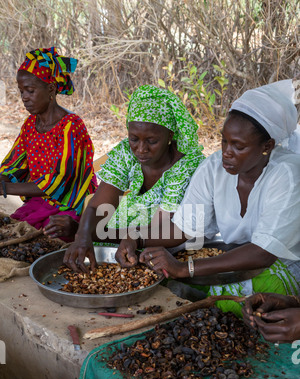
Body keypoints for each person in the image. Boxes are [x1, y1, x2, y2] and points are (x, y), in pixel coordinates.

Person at [116, 80, 300, 315]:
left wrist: (185, 268)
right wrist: (137, 239)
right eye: (224, 140)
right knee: (158, 279)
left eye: (238, 146)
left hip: (284, 263)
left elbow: (263, 253)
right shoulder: (214, 167)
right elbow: (184, 228)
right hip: (233, 257)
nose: (226, 152)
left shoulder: (288, 173)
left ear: (267, 146)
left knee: (233, 299)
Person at [63, 84, 206, 272]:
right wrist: (83, 234)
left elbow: (160, 230)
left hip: (171, 245)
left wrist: (85, 231)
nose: (141, 149)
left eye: (152, 141)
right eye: (134, 139)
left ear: (170, 135)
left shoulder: (186, 167)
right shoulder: (126, 152)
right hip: (129, 236)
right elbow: (99, 205)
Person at [0, 47, 97, 241]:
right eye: (21, 91)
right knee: (13, 232)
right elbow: (14, 165)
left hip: (70, 204)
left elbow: (60, 182)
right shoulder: (30, 125)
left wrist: (5, 188)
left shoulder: (71, 127)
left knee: (47, 238)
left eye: (30, 90)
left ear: (51, 89)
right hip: (40, 202)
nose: (24, 97)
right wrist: (2, 178)